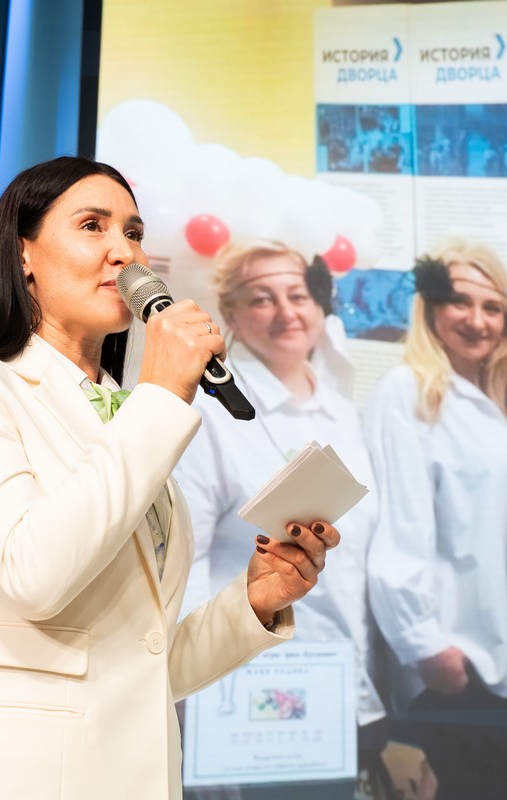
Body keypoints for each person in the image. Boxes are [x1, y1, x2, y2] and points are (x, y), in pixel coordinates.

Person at [0, 156, 340, 800]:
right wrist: (161, 395)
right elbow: (31, 573)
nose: (124, 253)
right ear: (23, 254)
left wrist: (254, 602)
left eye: (133, 233)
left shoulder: (126, 416)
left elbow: (140, 661)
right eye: (92, 226)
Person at [174, 241, 388, 799]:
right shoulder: (210, 415)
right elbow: (184, 563)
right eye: (261, 298)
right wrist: (193, 700)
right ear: (232, 314)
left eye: (298, 295)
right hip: (247, 695)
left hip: (339, 687)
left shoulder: (345, 414)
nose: (286, 311)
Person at [364, 241, 507, 800]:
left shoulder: (499, 403)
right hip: (450, 654)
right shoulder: (408, 392)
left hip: (498, 656)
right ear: (430, 308)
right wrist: (425, 646)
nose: (478, 320)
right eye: (460, 303)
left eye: (492, 307)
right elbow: (399, 529)